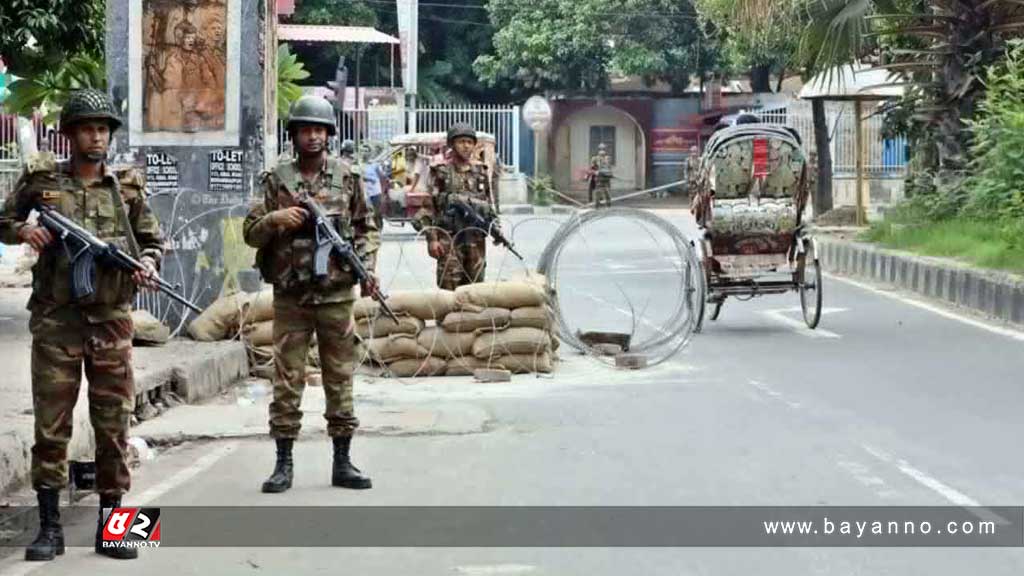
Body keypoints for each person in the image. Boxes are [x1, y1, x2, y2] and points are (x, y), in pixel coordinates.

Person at [0, 89, 164, 562]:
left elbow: (153, 240)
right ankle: (49, 529)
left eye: (103, 128)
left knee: (114, 426)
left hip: (112, 323)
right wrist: (23, 231)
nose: (96, 136)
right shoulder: (42, 179)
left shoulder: (128, 185)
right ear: (70, 133)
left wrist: (147, 263)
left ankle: (118, 530)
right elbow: (4, 218)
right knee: (51, 429)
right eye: (87, 128)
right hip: (57, 322)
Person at [243, 95, 380, 494]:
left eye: (319, 130)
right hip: (292, 296)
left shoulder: (347, 177)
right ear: (294, 135)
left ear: (329, 135)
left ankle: (343, 460)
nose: (313, 137)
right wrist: (275, 219)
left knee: (340, 378)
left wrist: (367, 267)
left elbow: (366, 228)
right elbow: (251, 231)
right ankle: (283, 463)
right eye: (306, 130)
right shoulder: (275, 180)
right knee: (288, 379)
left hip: (336, 295)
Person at [413, 123, 496, 290]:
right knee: (449, 293)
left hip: (475, 240)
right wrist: (432, 239)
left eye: (469, 142)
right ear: (451, 144)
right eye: (461, 142)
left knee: (475, 292)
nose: (466, 146)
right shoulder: (441, 172)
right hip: (449, 240)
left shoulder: (480, 171)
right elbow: (427, 208)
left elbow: (489, 204)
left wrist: (495, 227)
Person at [589, 143, 613, 208]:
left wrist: (609, 174)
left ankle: (608, 206)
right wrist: (595, 172)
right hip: (599, 179)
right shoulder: (595, 158)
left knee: (607, 193)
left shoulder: (608, 158)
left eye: (603, 148)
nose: (602, 150)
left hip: (606, 179)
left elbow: (609, 168)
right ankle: (597, 207)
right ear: (598, 150)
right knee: (598, 193)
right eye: (600, 149)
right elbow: (592, 168)